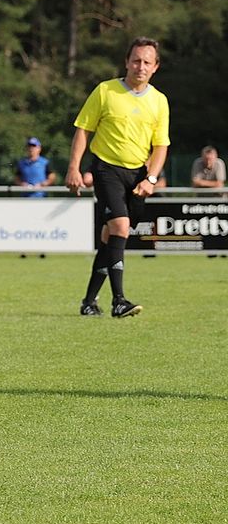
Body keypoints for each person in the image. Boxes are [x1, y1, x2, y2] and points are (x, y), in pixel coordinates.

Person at [66, 36, 169, 318]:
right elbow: (83, 130)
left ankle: (89, 301)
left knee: (110, 237)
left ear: (155, 67)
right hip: (106, 168)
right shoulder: (105, 91)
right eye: (136, 60)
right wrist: (74, 167)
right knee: (121, 227)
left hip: (137, 175)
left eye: (147, 62)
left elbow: (161, 145)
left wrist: (150, 178)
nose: (140, 66)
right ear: (126, 61)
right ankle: (119, 301)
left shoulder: (159, 101)